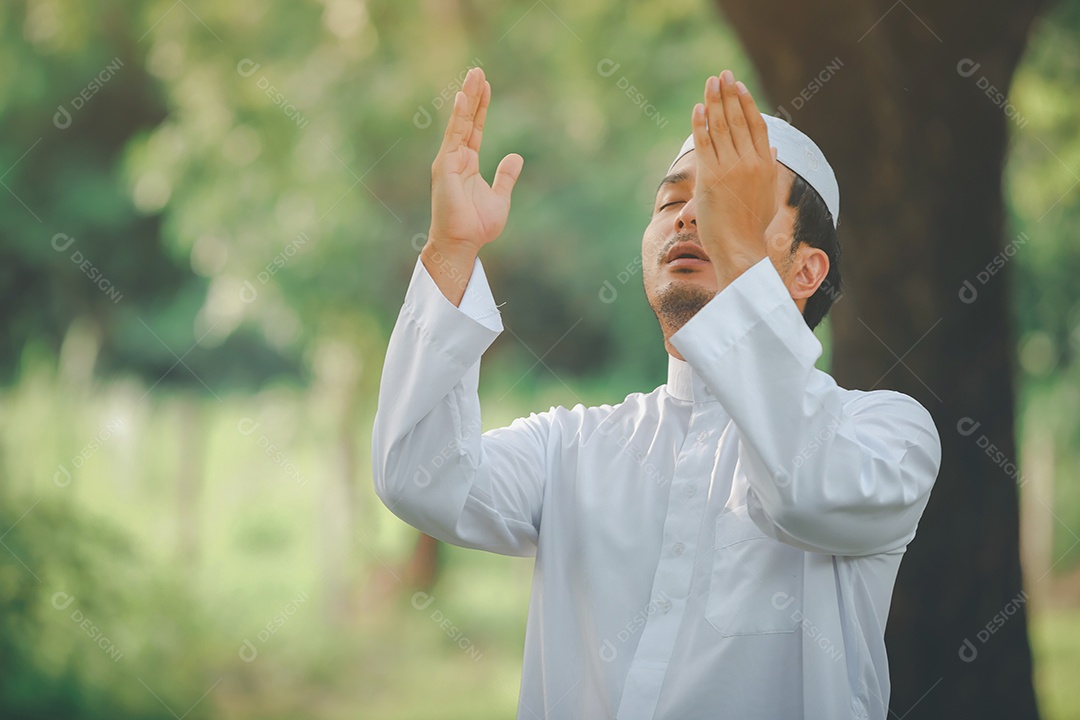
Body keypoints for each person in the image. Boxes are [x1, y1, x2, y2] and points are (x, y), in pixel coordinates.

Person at [372, 66, 941, 720]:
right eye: (673, 202)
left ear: (806, 270)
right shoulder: (575, 447)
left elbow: (805, 490)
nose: (691, 217)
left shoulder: (887, 436)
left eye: (733, 204)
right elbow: (418, 478)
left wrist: (733, 249)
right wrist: (451, 250)